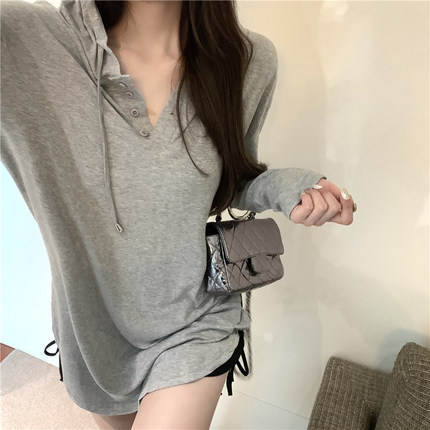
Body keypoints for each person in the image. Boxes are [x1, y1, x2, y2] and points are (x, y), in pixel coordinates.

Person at [1, 0, 356, 429]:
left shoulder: (246, 61)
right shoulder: (23, 38)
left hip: (195, 317)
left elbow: (231, 180)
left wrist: (287, 187)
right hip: (92, 328)